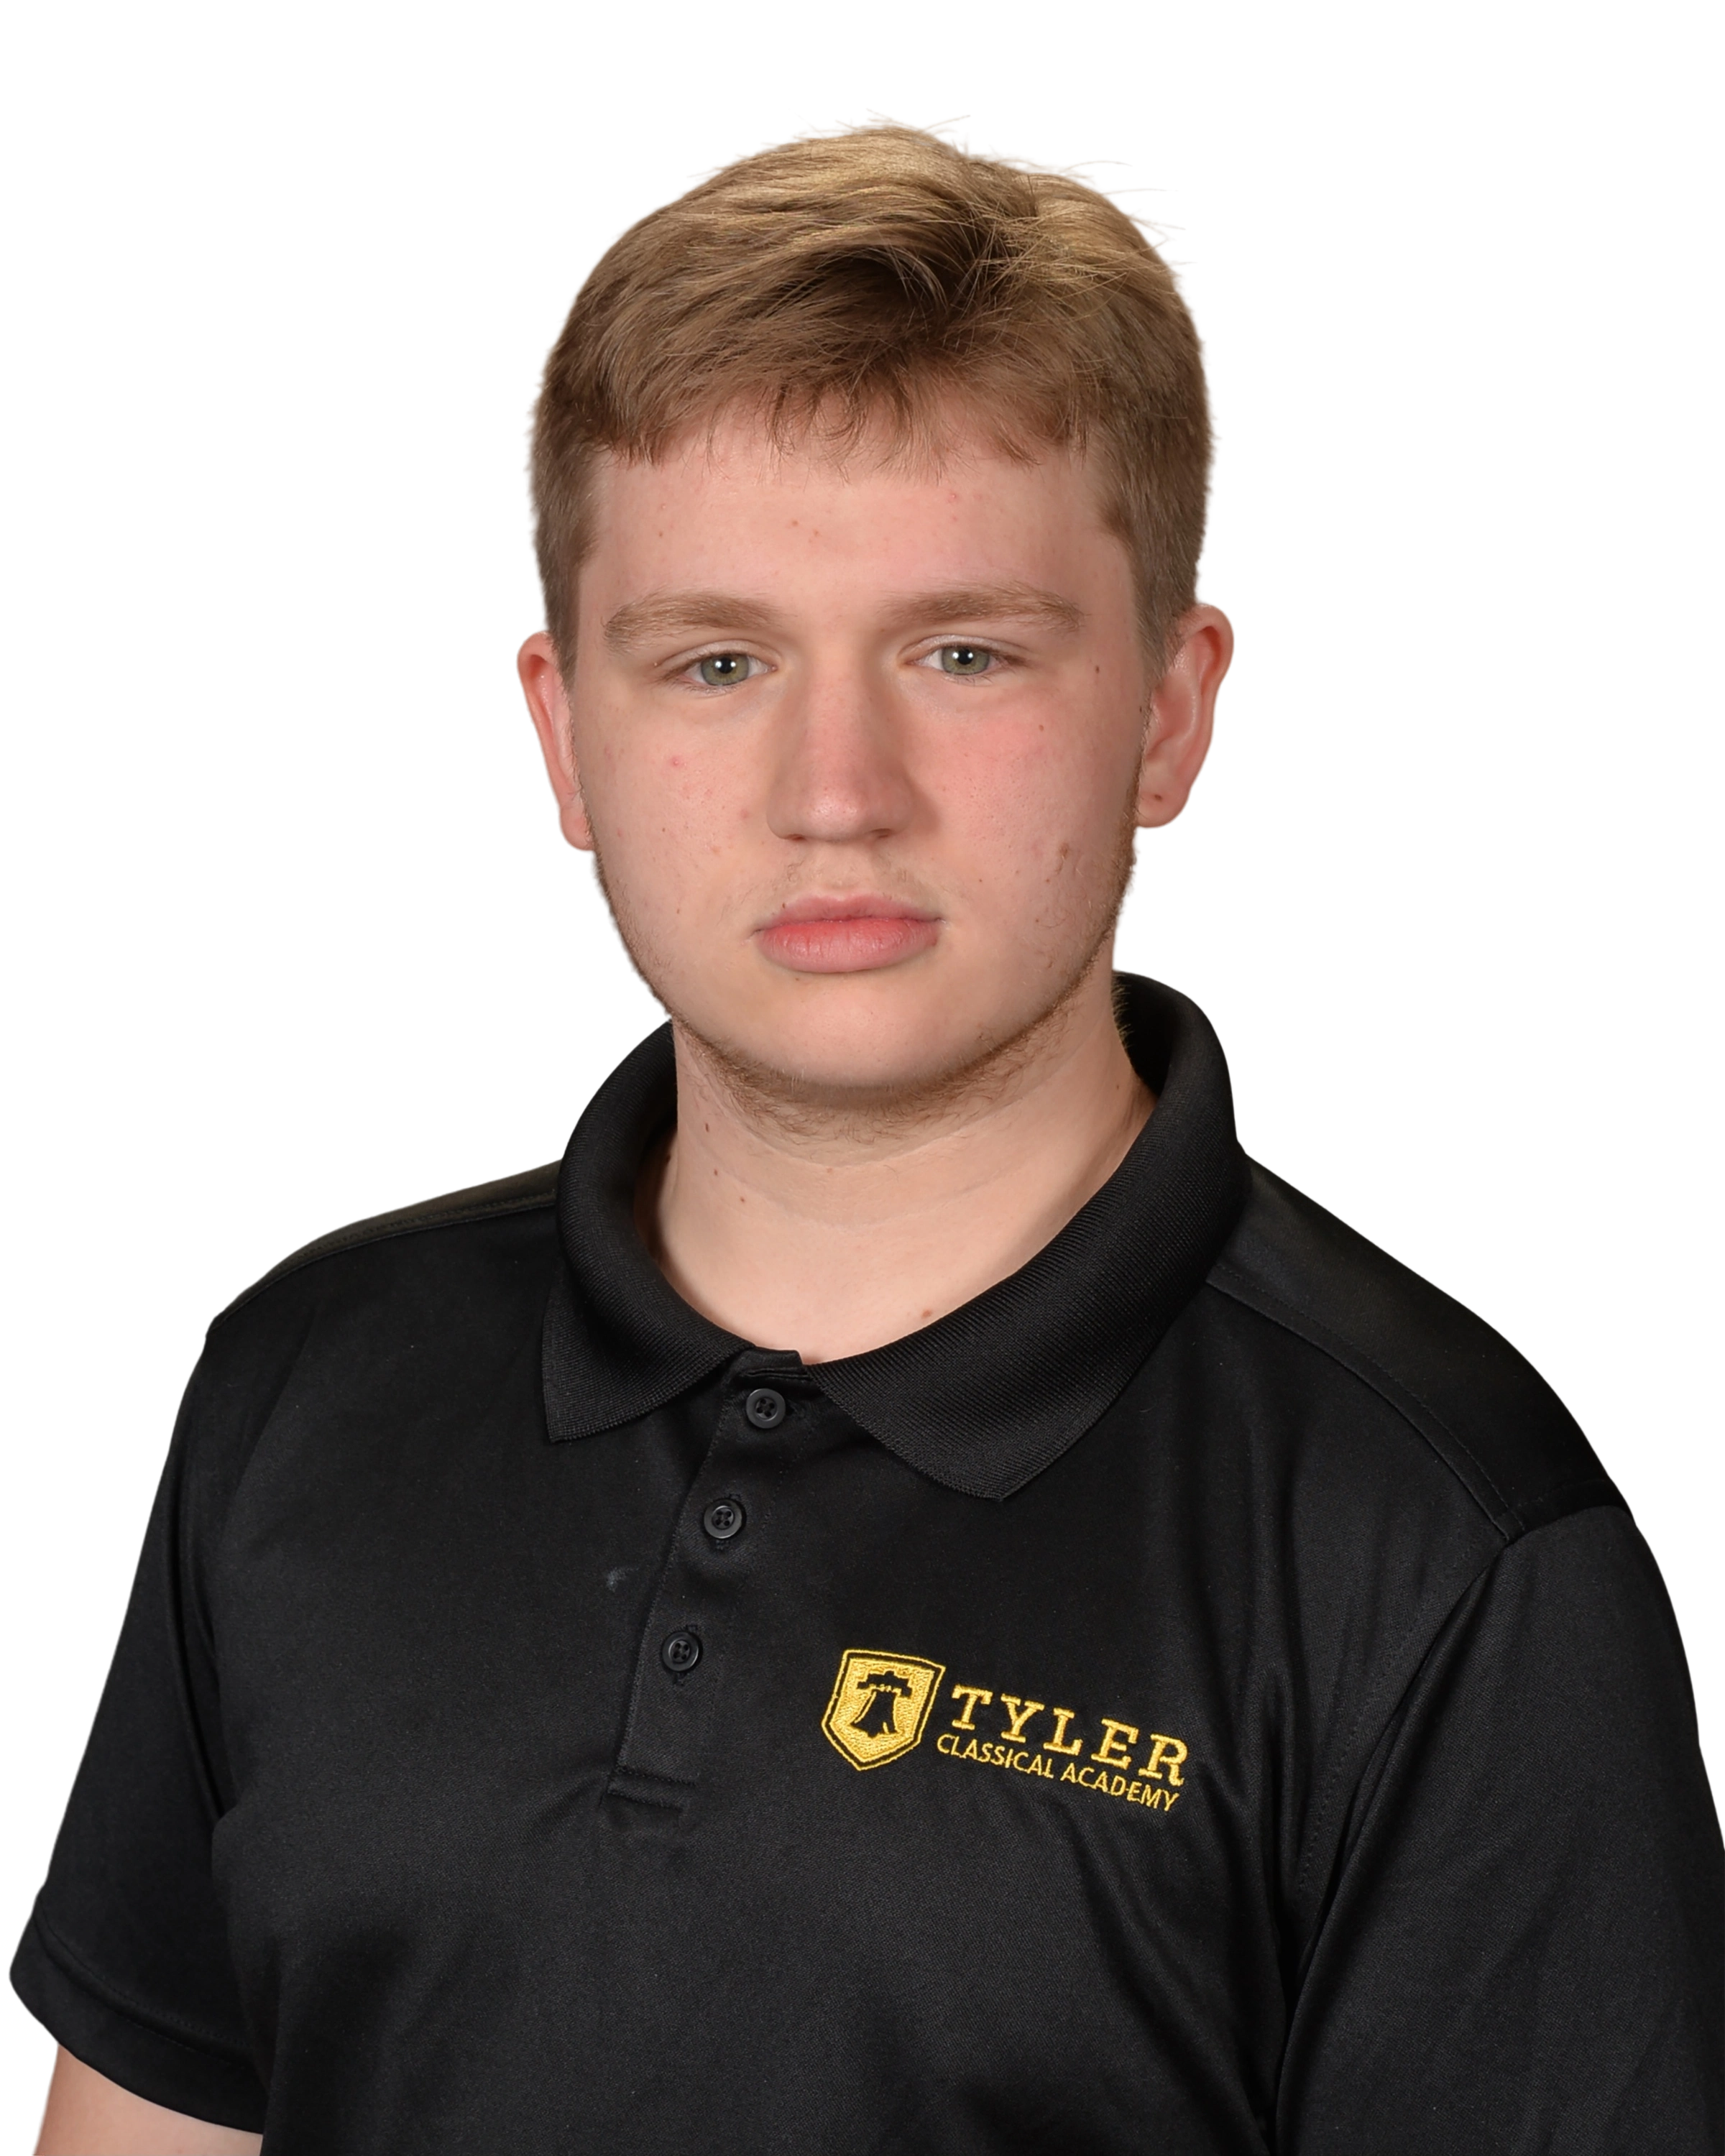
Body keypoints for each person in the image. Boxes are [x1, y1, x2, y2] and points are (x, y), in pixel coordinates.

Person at [10, 113, 1722, 2155]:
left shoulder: (1446, 1543)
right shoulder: (301, 1391)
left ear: (1172, 710)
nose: (837, 790)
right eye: (718, 661)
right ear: (564, 736)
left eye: (964, 652)